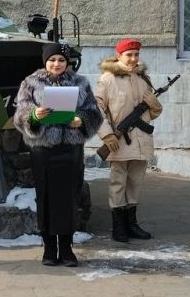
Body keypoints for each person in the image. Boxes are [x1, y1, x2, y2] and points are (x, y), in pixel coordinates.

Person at [14, 42, 102, 266]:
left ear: (67, 62)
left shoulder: (80, 82)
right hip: (43, 150)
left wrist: (80, 120)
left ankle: (66, 248)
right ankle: (49, 248)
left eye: (61, 60)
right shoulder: (30, 82)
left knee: (69, 199)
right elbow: (20, 113)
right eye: (52, 60)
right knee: (46, 198)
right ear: (45, 61)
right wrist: (35, 116)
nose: (57, 64)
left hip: (71, 150)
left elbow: (94, 113)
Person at [96, 39, 163, 242]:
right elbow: (96, 109)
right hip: (118, 140)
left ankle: (131, 224)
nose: (133, 59)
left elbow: (151, 115)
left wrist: (155, 106)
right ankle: (118, 227)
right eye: (129, 55)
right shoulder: (107, 80)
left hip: (141, 139)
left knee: (135, 182)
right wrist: (107, 134)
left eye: (136, 54)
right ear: (119, 56)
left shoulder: (143, 79)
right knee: (118, 182)